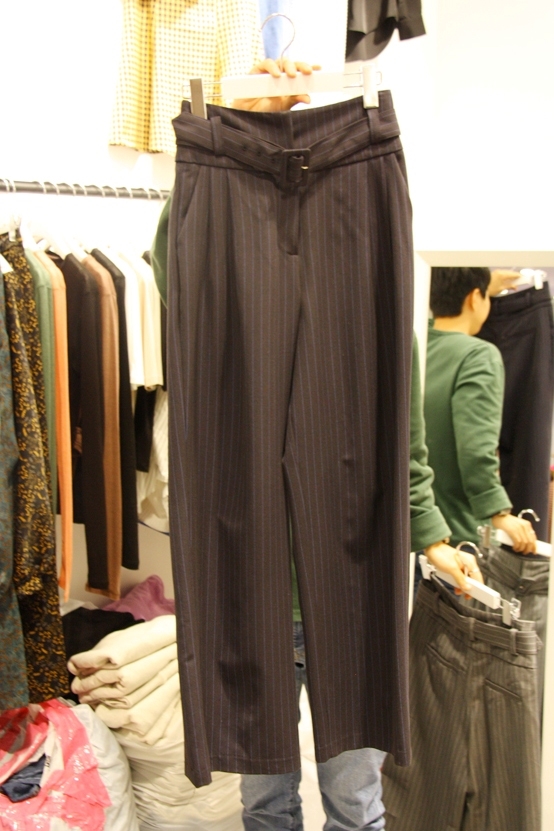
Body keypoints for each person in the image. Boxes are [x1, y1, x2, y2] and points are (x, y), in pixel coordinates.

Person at [152, 58, 482, 830]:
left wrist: (432, 534)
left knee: (354, 801)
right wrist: (219, 147)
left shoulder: (378, 296)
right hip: (255, 589)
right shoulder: (213, 215)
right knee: (265, 802)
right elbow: (180, 278)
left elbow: (399, 436)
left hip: (350, 578)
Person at [423, 266, 537, 554]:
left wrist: (482, 287)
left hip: (416, 528)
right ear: (475, 298)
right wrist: (497, 510)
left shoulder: (417, 344)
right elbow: (476, 446)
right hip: (457, 535)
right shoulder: (477, 356)